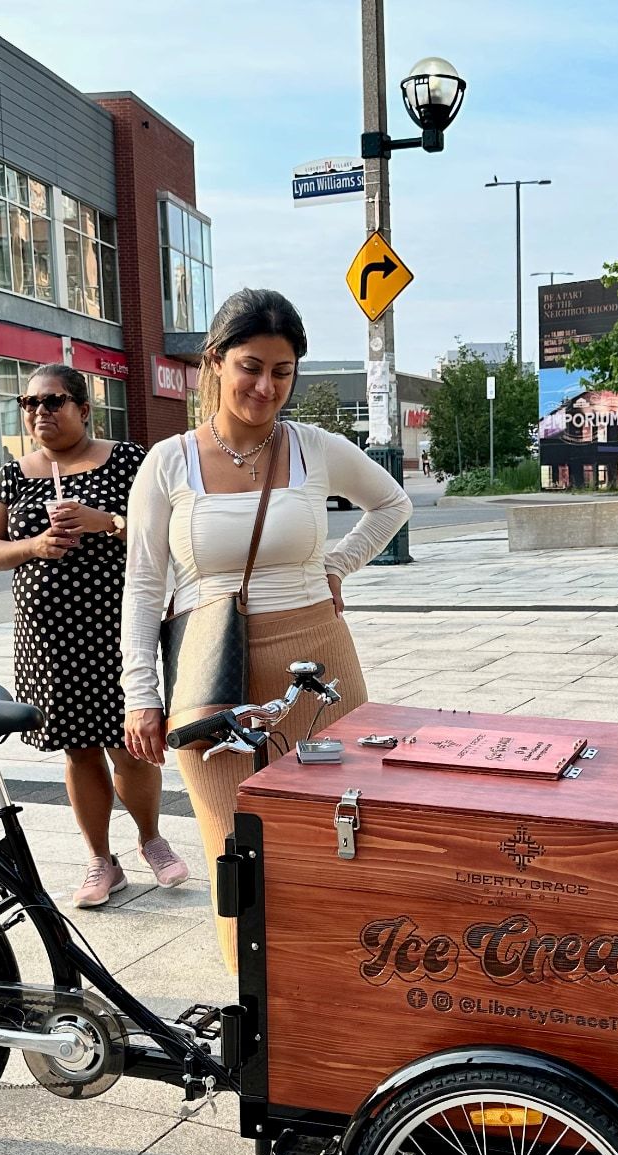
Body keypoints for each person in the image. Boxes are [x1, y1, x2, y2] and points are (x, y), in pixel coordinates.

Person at [122, 288, 414, 968]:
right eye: (251, 366)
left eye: (282, 372)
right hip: (210, 673)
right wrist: (142, 693)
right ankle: (259, 1025)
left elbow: (391, 504)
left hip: (320, 662)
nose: (265, 386)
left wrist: (337, 564)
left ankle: (336, 996)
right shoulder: (169, 462)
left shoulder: (316, 448)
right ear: (216, 361)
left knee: (338, 834)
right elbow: (142, 585)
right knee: (237, 854)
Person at [0, 364, 190, 906]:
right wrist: (34, 547)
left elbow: (163, 532)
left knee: (133, 744)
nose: (39, 412)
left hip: (114, 630)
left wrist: (107, 521)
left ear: (83, 408)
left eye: (53, 401)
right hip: (48, 639)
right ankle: (100, 859)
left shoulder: (127, 461)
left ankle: (152, 840)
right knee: (78, 750)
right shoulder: (13, 474)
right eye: (29, 403)